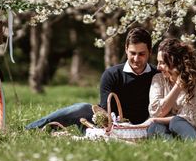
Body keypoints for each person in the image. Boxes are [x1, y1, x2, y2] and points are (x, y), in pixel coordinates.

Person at [25, 27, 158, 130]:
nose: (136, 59)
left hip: (145, 125)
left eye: (141, 54)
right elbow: (106, 109)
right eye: (132, 53)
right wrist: (118, 125)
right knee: (81, 108)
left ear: (150, 52)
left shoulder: (157, 75)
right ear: (126, 49)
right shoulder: (112, 74)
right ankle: (33, 128)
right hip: (108, 123)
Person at [145, 38, 196, 141]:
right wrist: (177, 87)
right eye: (158, 62)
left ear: (176, 63)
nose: (158, 67)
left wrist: (178, 85)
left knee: (176, 121)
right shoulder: (158, 79)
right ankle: (178, 148)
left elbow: (186, 118)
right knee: (154, 127)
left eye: (163, 63)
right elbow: (157, 113)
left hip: (185, 129)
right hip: (161, 127)